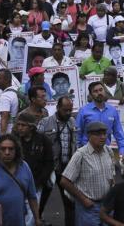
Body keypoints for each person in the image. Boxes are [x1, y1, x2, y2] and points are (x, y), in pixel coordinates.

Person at [61, 121, 117, 226]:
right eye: (99, 134)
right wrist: (83, 199)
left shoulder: (109, 151)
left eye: (105, 134)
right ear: (89, 135)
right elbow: (65, 181)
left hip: (106, 206)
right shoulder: (81, 154)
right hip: (88, 207)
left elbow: (112, 175)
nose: (103, 137)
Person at [0, 134, 42, 226]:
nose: (7, 152)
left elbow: (32, 196)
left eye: (11, 149)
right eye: (3, 149)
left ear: (16, 151)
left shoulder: (24, 166)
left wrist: (37, 219)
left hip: (18, 221)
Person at [37, 95, 77, 224]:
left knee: (69, 202)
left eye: (70, 110)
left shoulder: (72, 122)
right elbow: (38, 144)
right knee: (42, 199)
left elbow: (74, 143)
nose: (68, 113)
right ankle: (35, 220)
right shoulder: (45, 122)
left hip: (67, 169)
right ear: (58, 107)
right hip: (50, 168)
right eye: (65, 110)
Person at [13, 112, 54, 205]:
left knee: (35, 212)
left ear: (31, 127)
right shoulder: (15, 141)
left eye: (23, 125)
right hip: (19, 183)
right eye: (18, 125)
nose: (20, 128)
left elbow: (49, 163)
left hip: (38, 183)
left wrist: (39, 182)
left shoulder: (43, 140)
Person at [76, 81, 124, 152]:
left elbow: (118, 132)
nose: (99, 93)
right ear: (91, 95)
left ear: (104, 91)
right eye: (95, 91)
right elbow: (78, 133)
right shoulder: (84, 111)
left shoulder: (112, 110)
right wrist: (78, 151)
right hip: (87, 151)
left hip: (106, 151)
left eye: (101, 90)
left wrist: (122, 150)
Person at [0, 68, 19, 135]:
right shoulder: (16, 91)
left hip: (6, 133)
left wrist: (2, 137)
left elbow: (4, 118)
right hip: (14, 130)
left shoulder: (5, 97)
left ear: (7, 80)